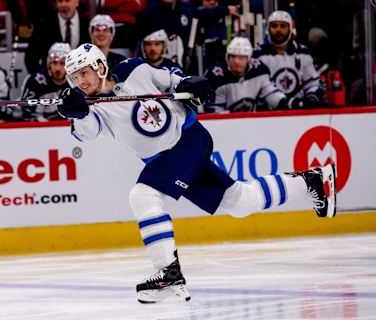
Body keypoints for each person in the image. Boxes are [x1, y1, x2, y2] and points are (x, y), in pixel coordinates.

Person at [53, 43, 337, 304]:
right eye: (74, 78)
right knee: (239, 202)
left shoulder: (133, 69)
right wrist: (76, 113)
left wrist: (189, 84)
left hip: (189, 139)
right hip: (168, 158)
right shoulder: (89, 109)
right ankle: (312, 180)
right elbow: (85, 132)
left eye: (84, 73)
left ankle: (168, 273)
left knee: (143, 194)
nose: (80, 82)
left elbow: (171, 80)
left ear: (101, 67)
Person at [135, 0, 239, 70]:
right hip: (154, 70)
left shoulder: (186, 10)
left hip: (182, 69)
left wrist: (226, 10)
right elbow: (140, 48)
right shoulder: (147, 15)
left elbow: (204, 14)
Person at [204, 37, 299, 113]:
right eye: (233, 56)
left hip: (250, 123)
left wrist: (288, 102)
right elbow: (215, 112)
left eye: (241, 57)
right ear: (227, 57)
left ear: (249, 59)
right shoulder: (215, 76)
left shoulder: (260, 70)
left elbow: (271, 95)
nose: (236, 61)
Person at [252, 11, 322, 107]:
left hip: (298, 111)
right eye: (274, 26)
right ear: (268, 29)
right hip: (267, 114)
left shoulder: (303, 53)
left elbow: (312, 84)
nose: (278, 30)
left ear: (290, 29)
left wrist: (311, 97)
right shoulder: (257, 55)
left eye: (283, 26)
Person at [24, 0, 90, 73]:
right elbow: (31, 58)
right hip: (50, 82)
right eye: (60, 1)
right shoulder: (43, 26)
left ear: (77, 2)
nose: (63, 5)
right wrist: (42, 79)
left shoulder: (88, 26)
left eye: (67, 1)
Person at [19, 42, 71, 121]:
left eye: (62, 63)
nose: (57, 68)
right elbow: (27, 112)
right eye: (54, 62)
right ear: (49, 63)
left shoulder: (76, 80)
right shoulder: (36, 80)